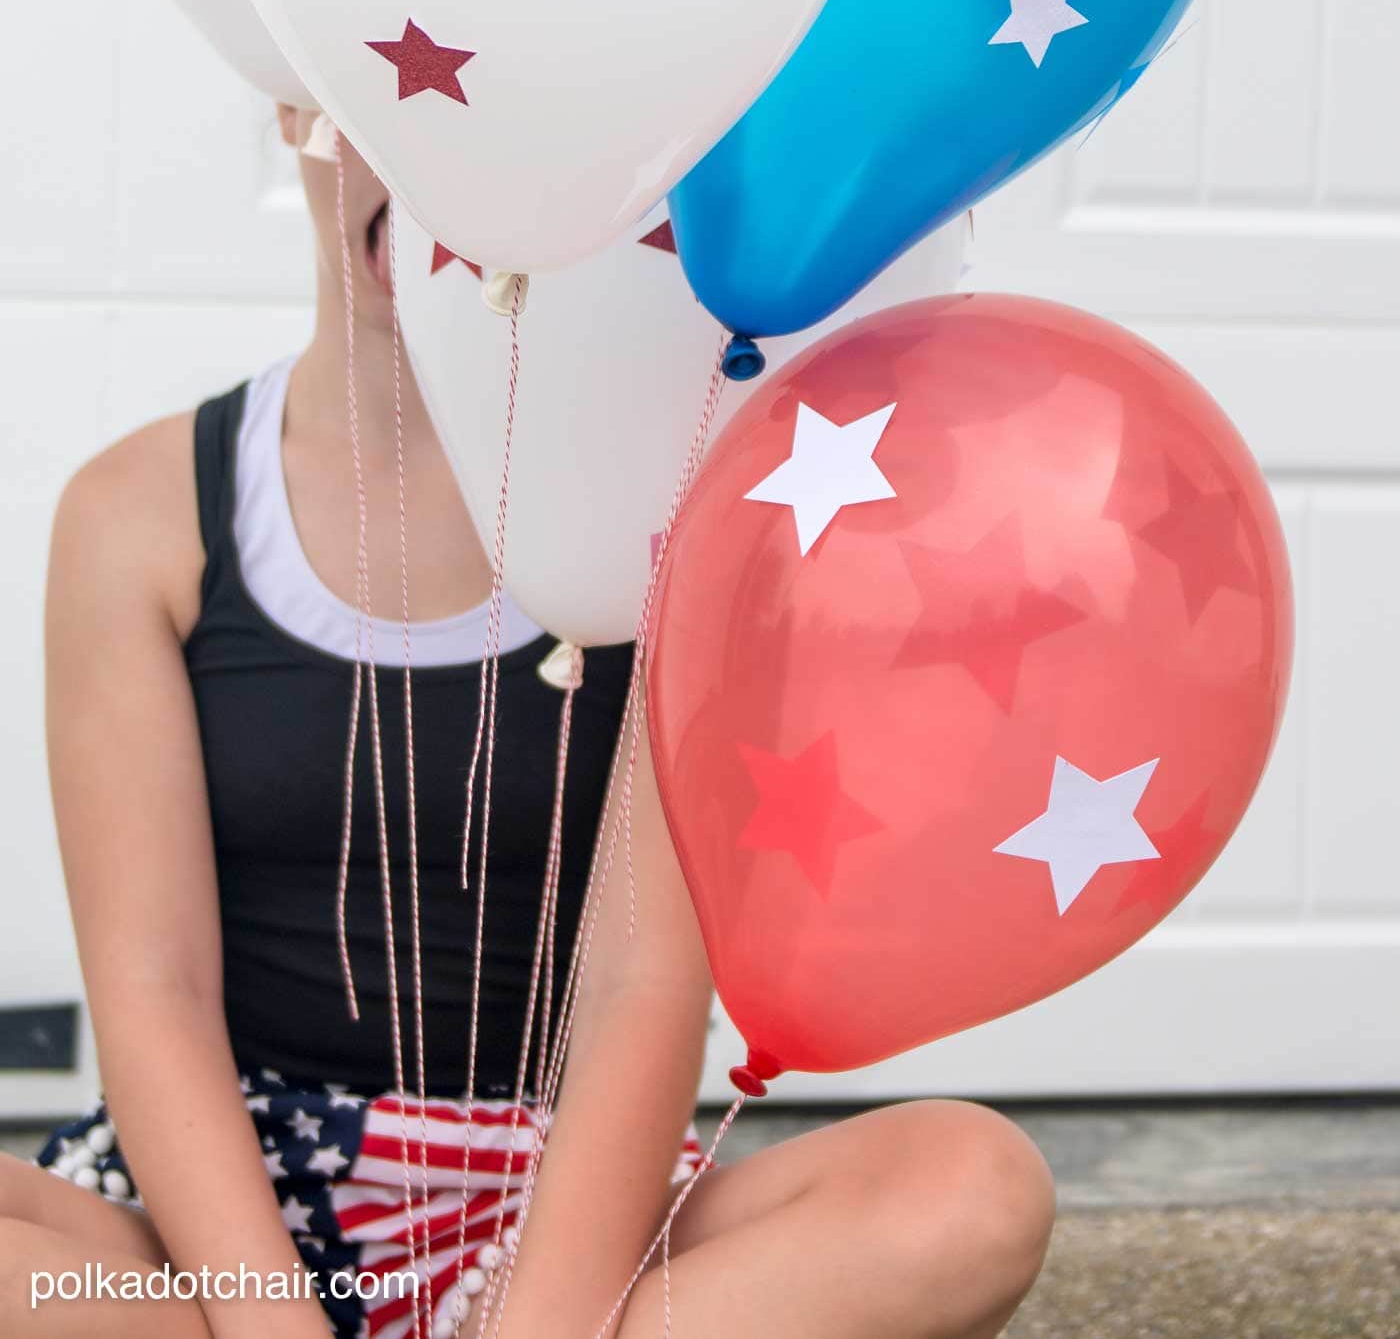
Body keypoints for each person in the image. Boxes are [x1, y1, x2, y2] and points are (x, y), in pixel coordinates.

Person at [0, 107, 1054, 1339]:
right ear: (296, 108)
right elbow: (152, 985)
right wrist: (263, 1318)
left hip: (562, 1217)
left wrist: (543, 1320)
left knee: (969, 1188)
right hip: (218, 1227)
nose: (438, 171)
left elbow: (638, 981)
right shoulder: (138, 516)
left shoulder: (673, 516)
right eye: (384, 93)